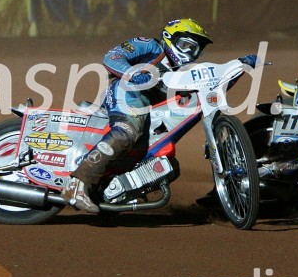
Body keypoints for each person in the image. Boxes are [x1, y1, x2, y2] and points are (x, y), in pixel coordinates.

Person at [60, 19, 214, 213]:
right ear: (169, 38)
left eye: (196, 50)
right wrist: (132, 74)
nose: (191, 54)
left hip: (149, 110)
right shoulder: (149, 45)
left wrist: (240, 67)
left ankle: (108, 193)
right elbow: (112, 56)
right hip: (127, 91)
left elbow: (210, 83)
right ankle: (77, 183)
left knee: (168, 165)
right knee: (127, 132)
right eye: (186, 46)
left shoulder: (185, 72)